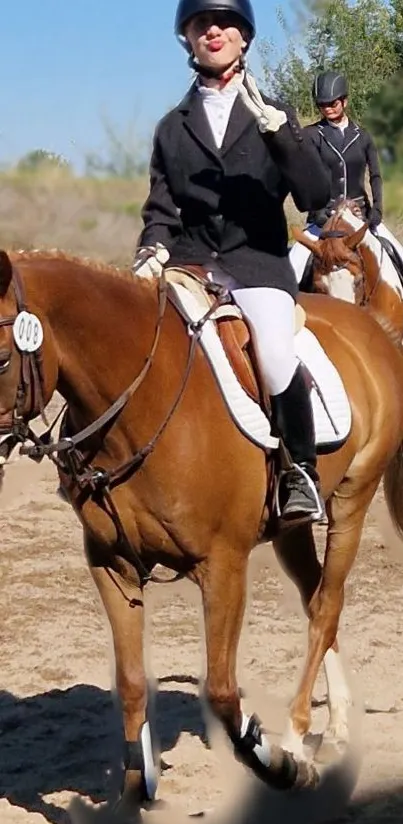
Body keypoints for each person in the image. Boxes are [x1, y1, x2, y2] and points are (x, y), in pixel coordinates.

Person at [132, 0, 332, 524]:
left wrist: (281, 135)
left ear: (244, 38)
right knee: (140, 337)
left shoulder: (276, 114)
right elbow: (161, 208)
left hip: (257, 265)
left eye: (224, 23)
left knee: (272, 350)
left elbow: (314, 194)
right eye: (201, 24)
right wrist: (152, 248)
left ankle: (299, 472)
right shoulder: (171, 128)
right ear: (188, 40)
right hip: (191, 264)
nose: (212, 30)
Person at [289, 70, 403, 285]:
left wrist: (377, 209)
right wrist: (318, 212)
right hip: (323, 218)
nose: (328, 108)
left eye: (333, 103)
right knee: (292, 268)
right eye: (323, 105)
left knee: (399, 255)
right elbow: (305, 178)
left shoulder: (363, 136)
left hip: (361, 216)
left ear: (345, 101)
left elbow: (376, 175)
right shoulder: (311, 135)